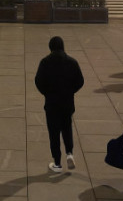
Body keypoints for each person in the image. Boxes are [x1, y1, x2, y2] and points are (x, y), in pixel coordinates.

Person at [35, 36, 85, 173]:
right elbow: (80, 81)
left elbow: (38, 81)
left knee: (54, 133)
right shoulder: (72, 62)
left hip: (52, 103)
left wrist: (47, 93)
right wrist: (70, 91)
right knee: (67, 128)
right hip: (67, 102)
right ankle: (69, 152)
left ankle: (57, 163)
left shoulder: (45, 62)